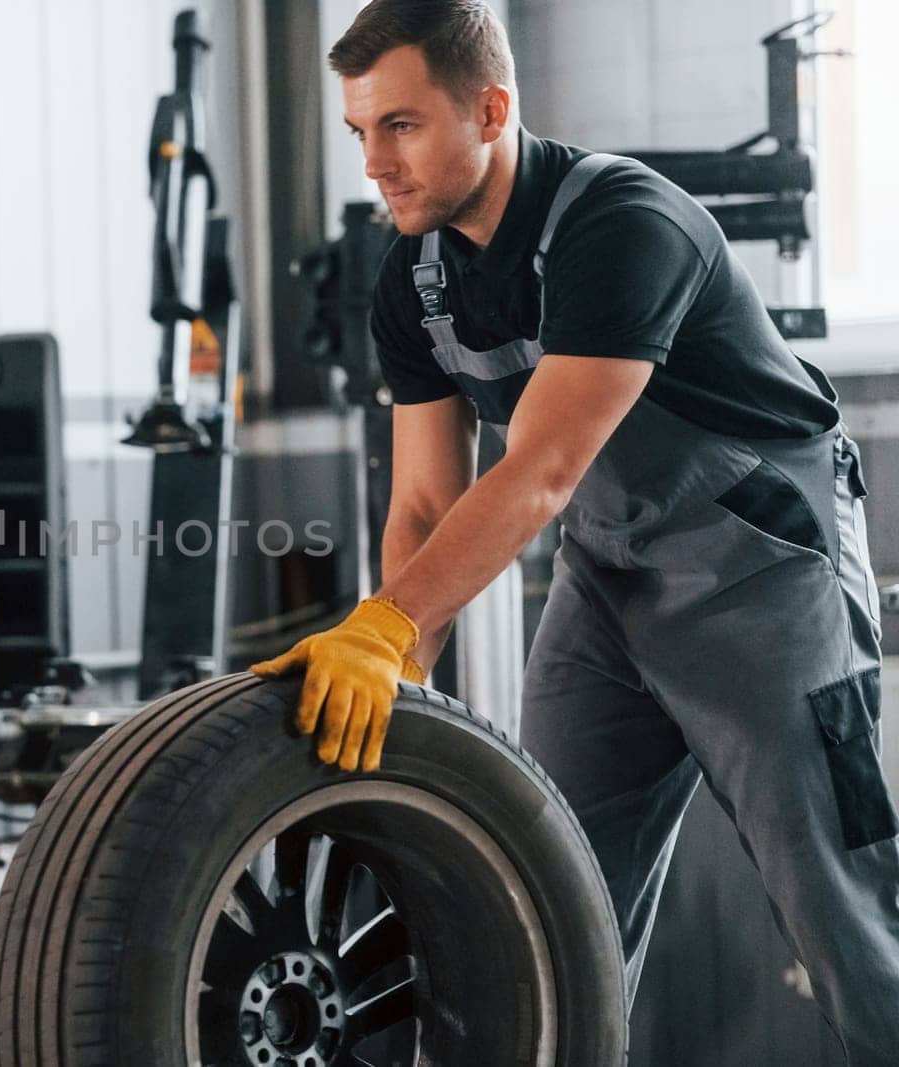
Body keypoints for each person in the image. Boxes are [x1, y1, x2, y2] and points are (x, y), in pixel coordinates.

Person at [248, 1, 899, 1062]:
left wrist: (376, 624)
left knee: (845, 915)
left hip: (764, 574)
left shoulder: (619, 224)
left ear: (490, 109)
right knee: (533, 908)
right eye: (361, 130)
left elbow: (539, 470)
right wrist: (399, 665)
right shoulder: (412, 275)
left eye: (401, 126)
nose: (376, 162)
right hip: (608, 581)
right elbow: (420, 503)